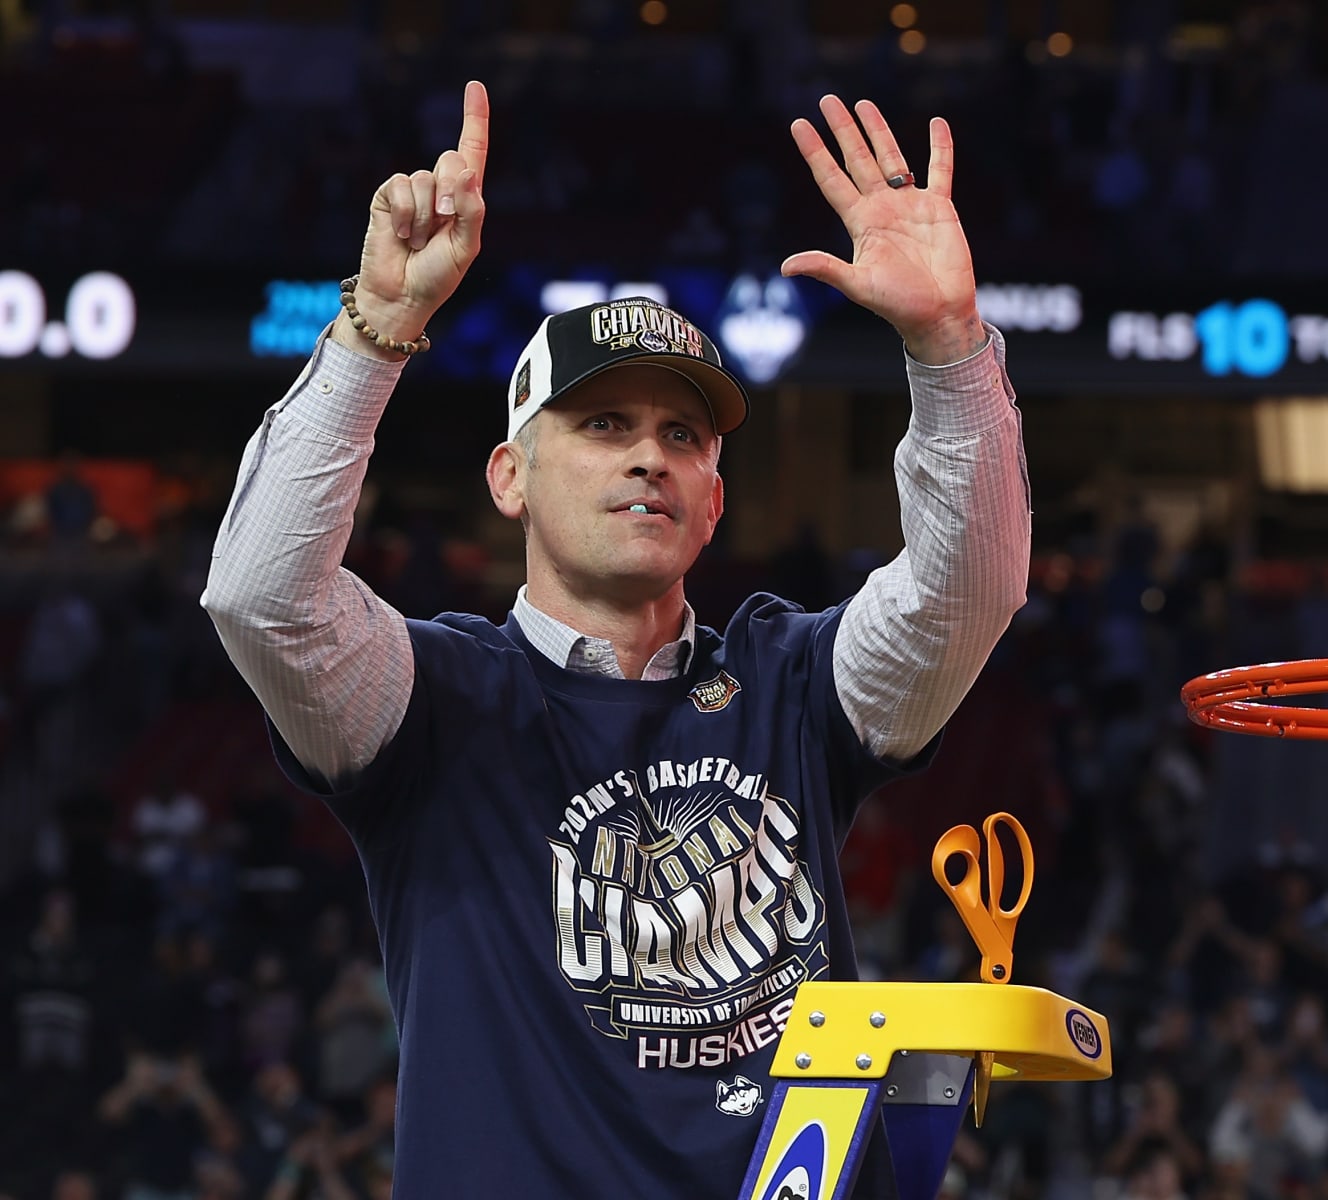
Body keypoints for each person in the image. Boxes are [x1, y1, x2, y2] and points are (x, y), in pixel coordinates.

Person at [201, 81, 1029, 1197]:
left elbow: (970, 591)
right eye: (603, 424)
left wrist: (949, 345)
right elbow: (260, 598)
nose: (650, 456)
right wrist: (374, 331)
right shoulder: (433, 696)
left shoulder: (789, 680)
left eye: (682, 435)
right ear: (510, 478)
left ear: (714, 503)